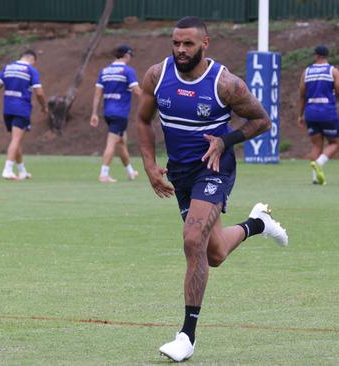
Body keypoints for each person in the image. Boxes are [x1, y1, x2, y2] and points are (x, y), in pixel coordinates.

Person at [135, 16, 288, 362]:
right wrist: (148, 166)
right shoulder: (157, 76)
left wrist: (225, 140)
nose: (180, 50)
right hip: (181, 173)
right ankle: (257, 224)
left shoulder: (225, 83)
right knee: (214, 253)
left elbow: (262, 120)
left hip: (215, 168)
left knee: (193, 241)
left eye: (188, 44)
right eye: (175, 43)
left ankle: (186, 336)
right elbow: (143, 120)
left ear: (205, 44)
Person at [0, 49, 48, 180]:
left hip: (7, 109)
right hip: (21, 108)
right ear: (32, 60)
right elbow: (39, 92)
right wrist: (44, 106)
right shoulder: (31, 70)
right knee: (16, 140)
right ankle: (7, 170)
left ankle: (22, 171)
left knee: (17, 140)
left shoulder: (8, 68)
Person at [90, 44, 141, 183]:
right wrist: (150, 104)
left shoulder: (104, 71)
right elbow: (136, 91)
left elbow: (97, 94)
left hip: (108, 112)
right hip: (120, 113)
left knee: (121, 142)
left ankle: (130, 172)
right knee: (112, 143)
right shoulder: (127, 71)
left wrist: (94, 113)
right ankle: (104, 173)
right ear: (126, 55)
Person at [297, 44, 339, 185]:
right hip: (327, 112)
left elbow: (302, 96)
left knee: (316, 145)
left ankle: (315, 178)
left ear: (316, 56)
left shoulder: (307, 72)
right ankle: (320, 163)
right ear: (326, 56)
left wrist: (300, 115)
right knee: (334, 143)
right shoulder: (332, 71)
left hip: (311, 113)